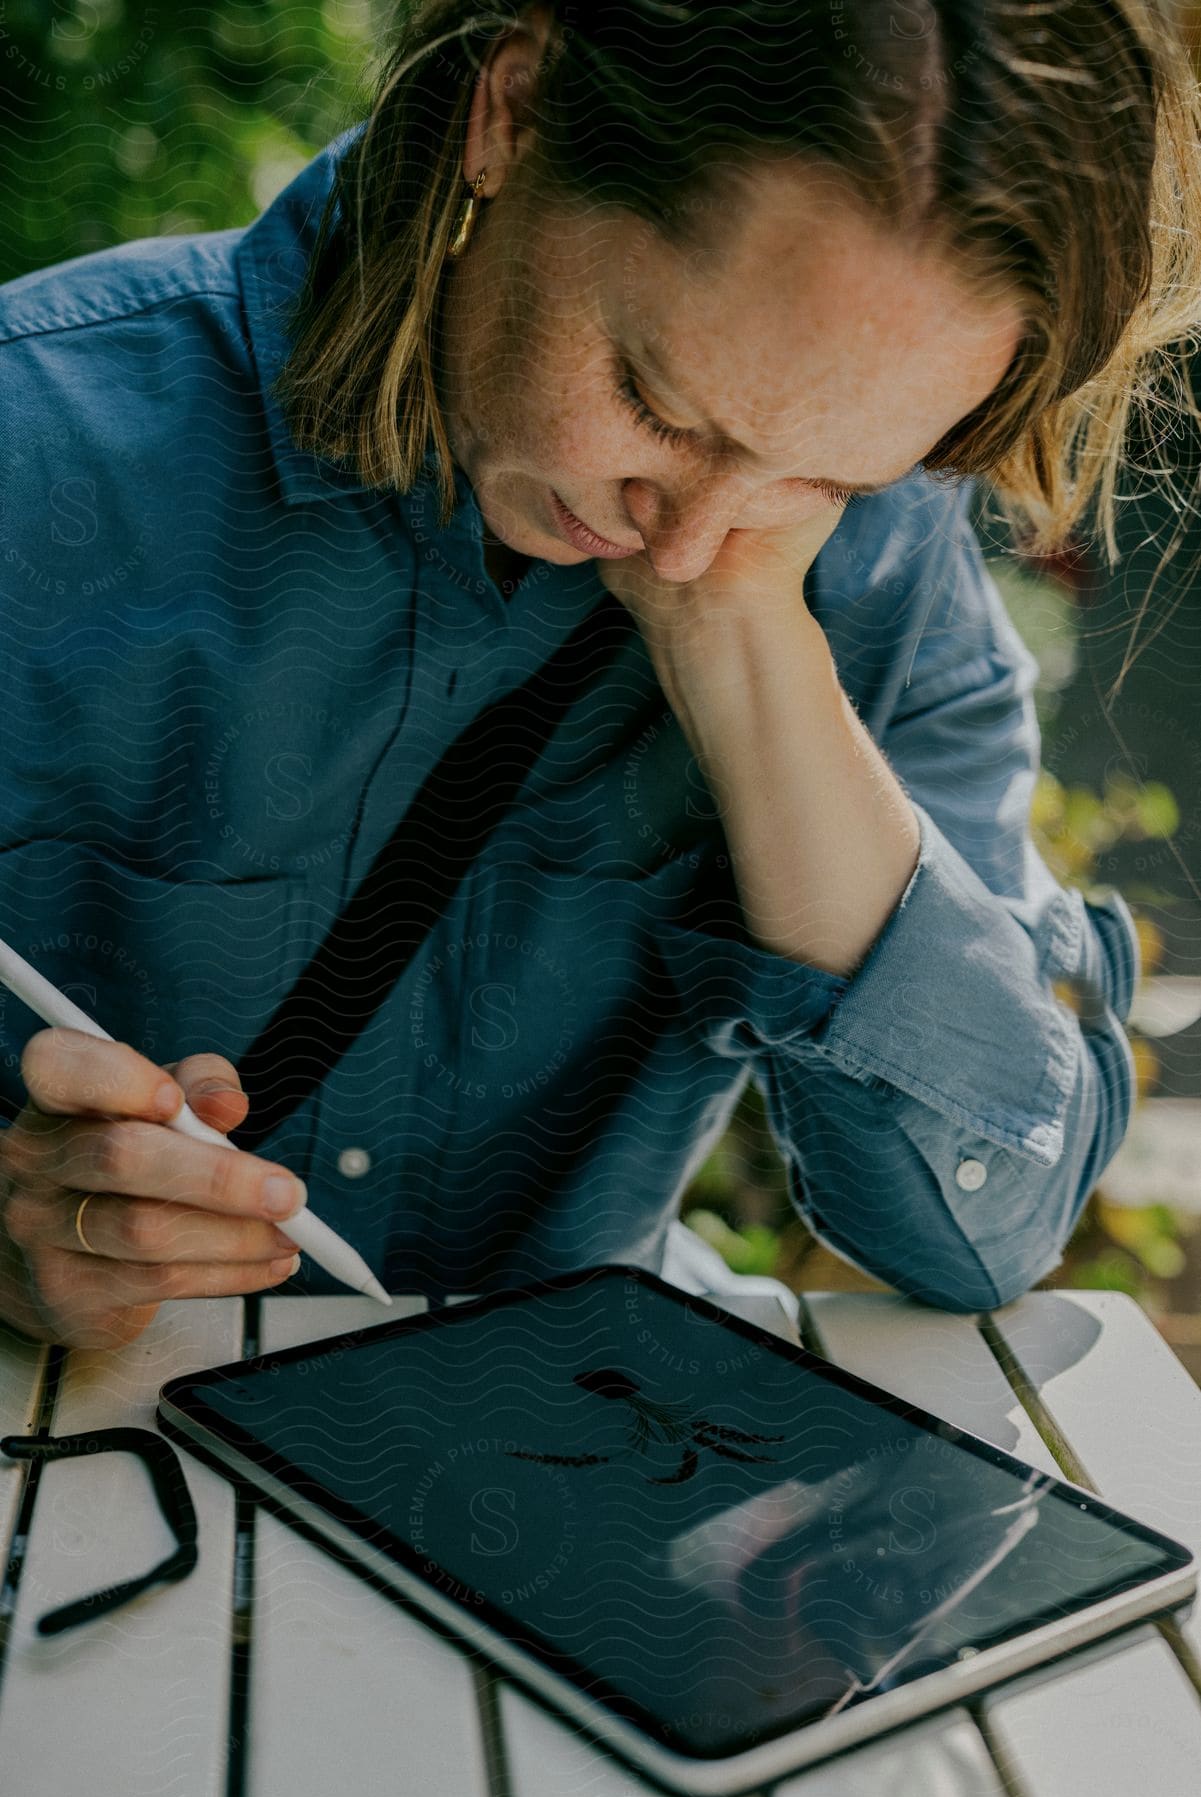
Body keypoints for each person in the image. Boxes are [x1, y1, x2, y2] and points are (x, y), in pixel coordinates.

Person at [0, 1, 1197, 1351]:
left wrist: (744, 641)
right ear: (508, 110)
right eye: (658, 406)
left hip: (568, 1476)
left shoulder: (876, 575)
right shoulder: (35, 457)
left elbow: (985, 1228)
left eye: (822, 479)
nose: (685, 537)